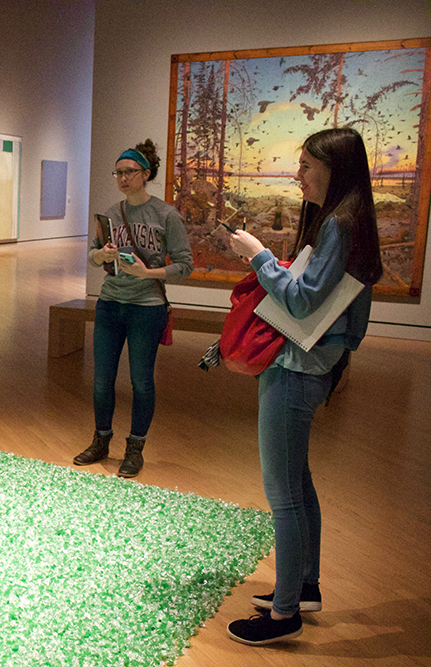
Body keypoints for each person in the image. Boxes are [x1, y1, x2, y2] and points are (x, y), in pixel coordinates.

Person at [226, 127, 383, 645]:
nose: (298, 176)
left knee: (283, 495)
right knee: (299, 482)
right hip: (315, 365)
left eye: (306, 166)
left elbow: (300, 302)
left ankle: (285, 613)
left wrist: (258, 255)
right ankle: (304, 585)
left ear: (334, 169)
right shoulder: (351, 220)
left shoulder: (339, 223)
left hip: (296, 366)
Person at [73, 140, 193, 477]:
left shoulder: (166, 215)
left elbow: (185, 265)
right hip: (110, 302)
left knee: (141, 381)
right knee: (101, 380)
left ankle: (135, 448)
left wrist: (148, 272)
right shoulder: (111, 213)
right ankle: (101, 440)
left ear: (146, 174)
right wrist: (103, 256)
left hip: (147, 306)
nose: (123, 178)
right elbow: (94, 255)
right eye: (118, 173)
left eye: (129, 172)